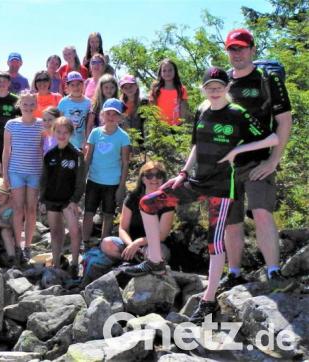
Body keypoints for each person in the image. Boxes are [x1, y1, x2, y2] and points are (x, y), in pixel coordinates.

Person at [123, 67, 279, 323]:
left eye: (219, 86)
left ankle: (208, 300)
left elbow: (271, 138)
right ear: (204, 89)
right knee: (148, 203)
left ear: (226, 88)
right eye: (210, 87)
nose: (214, 91)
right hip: (196, 181)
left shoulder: (237, 113)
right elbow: (195, 145)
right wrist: (183, 173)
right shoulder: (201, 110)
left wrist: (236, 152)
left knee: (214, 242)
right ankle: (155, 259)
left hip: (222, 187)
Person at [222, 28, 295, 293]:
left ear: (252, 49)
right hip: (228, 165)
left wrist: (274, 160)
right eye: (232, 49)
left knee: (262, 213)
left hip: (259, 161)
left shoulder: (267, 79)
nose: (237, 53)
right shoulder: (223, 81)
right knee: (231, 221)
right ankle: (233, 273)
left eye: (241, 48)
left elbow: (284, 121)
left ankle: (273, 271)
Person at [100, 161, 174, 264]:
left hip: (155, 245)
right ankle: (131, 261)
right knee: (106, 243)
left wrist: (138, 243)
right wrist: (131, 245)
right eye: (149, 175)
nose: (154, 179)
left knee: (158, 254)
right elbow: (123, 228)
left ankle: (144, 263)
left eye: (159, 175)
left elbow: (162, 235)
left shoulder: (168, 202)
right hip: (130, 242)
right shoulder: (132, 198)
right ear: (143, 179)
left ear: (163, 179)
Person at [40, 117, 86, 274]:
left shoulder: (77, 154)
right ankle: (57, 264)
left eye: (65, 132)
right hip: (52, 199)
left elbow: (81, 180)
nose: (61, 135)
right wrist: (42, 200)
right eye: (58, 132)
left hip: (69, 201)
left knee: (74, 230)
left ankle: (74, 263)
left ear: (71, 134)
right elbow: (44, 179)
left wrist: (75, 200)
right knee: (55, 232)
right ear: (53, 132)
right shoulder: (49, 154)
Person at [3, 92, 45, 264]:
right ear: (19, 105)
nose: (28, 107)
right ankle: (17, 246)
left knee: (31, 209)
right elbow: (6, 150)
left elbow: (44, 149)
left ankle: (27, 246)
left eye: (31, 104)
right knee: (18, 208)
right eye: (25, 104)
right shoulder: (11, 124)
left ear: (36, 105)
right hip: (16, 171)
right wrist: (4, 173)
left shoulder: (42, 124)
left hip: (35, 171)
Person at [82, 99, 130, 245]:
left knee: (108, 214)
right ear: (102, 115)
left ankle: (105, 244)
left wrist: (121, 186)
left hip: (112, 182)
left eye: (115, 114)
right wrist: (82, 179)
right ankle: (85, 242)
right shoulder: (95, 133)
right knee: (88, 212)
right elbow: (88, 157)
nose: (111, 117)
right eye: (108, 113)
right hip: (93, 180)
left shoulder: (123, 136)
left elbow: (125, 162)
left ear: (120, 117)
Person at [150, 59, 190, 126]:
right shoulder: (156, 89)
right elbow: (153, 108)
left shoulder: (182, 89)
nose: (167, 73)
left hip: (177, 127)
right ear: (160, 73)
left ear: (175, 71)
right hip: (160, 126)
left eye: (170, 70)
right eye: (164, 70)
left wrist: (181, 124)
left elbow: (183, 109)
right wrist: (157, 124)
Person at [57, 72, 92, 149]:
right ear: (67, 87)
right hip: (66, 143)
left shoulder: (89, 102)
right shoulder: (63, 102)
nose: (76, 87)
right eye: (72, 85)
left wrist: (87, 142)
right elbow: (59, 123)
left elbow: (89, 124)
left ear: (82, 84)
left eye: (78, 84)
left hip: (82, 144)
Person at [85, 74, 120, 144]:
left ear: (116, 88)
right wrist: (89, 143)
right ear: (101, 89)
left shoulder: (119, 104)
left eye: (112, 87)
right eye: (106, 87)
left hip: (114, 140)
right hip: (98, 140)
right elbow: (89, 126)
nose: (109, 90)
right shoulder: (95, 105)